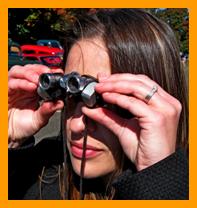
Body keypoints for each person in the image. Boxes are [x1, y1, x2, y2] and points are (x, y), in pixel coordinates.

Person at [8, 9, 189, 200]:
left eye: (106, 101)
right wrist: (10, 141)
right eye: (72, 96)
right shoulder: (42, 173)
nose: (76, 125)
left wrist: (158, 180)